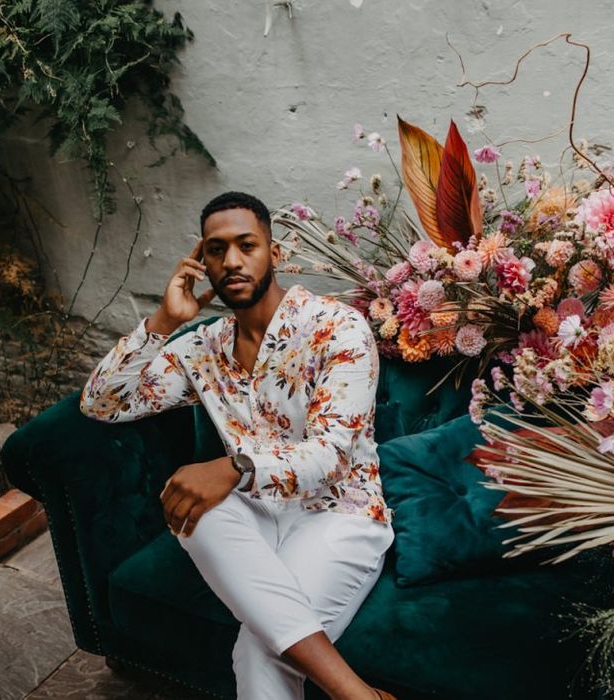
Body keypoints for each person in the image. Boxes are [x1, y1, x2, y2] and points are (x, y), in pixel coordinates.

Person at [80, 191, 397, 700]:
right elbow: (102, 403)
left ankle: (357, 695)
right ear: (201, 263)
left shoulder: (336, 327)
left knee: (257, 652)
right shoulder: (202, 347)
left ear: (274, 252)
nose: (231, 260)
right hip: (251, 514)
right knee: (186, 502)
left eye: (246, 245)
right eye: (215, 249)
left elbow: (332, 454)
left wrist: (234, 467)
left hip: (338, 513)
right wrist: (165, 321)